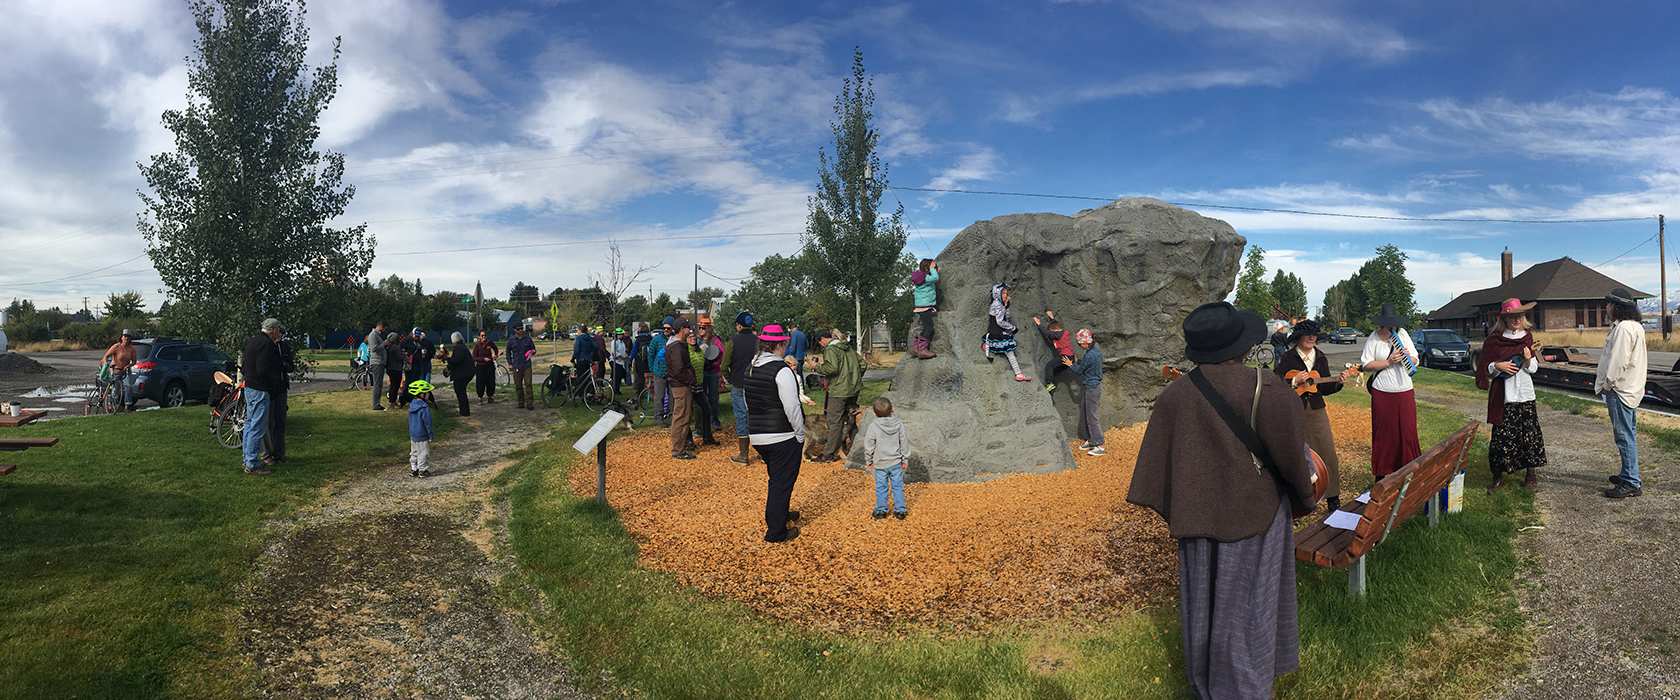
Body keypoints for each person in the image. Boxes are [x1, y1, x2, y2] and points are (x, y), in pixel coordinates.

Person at [1128, 301, 1317, 699]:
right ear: (1242, 346)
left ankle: (1208, 684)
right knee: (1249, 612)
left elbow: (1157, 470)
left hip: (1197, 519)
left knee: (1205, 608)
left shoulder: (1174, 396)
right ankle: (1244, 689)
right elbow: (1292, 459)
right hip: (1258, 516)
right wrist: (1303, 498)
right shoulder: (1268, 388)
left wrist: (1190, 503)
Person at [1274, 320, 1354, 510]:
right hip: (1293, 409)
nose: (1311, 338)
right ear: (1299, 337)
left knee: (1326, 451)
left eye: (1314, 335)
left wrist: (1338, 382)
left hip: (1316, 409)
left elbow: (1324, 387)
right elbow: (1276, 384)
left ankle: (1332, 496)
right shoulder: (1288, 357)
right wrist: (1294, 380)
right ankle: (1300, 497)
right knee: (1296, 454)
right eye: (1307, 334)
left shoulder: (1321, 357)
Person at [1474, 299, 1546, 494]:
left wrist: (1529, 359)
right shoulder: (1494, 339)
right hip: (1504, 395)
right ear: (1504, 319)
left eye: (1519, 316)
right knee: (1502, 437)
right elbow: (1485, 366)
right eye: (1511, 316)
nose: (1516, 319)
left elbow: (1534, 369)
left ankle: (1530, 474)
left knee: (1528, 434)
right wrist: (1497, 366)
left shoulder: (1528, 338)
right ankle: (1498, 476)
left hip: (1524, 394)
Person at [743, 323, 805, 542]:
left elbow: (747, 402)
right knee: (782, 481)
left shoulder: (751, 368)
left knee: (777, 478)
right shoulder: (782, 371)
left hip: (758, 434)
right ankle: (776, 531)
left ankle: (780, 513)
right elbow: (792, 406)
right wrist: (800, 433)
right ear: (780, 344)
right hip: (782, 435)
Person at [1358, 304, 1421, 478]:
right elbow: (1366, 365)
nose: (1390, 326)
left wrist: (1409, 357)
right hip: (1383, 393)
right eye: (1387, 323)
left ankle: (1408, 472)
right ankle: (1383, 474)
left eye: (1392, 323)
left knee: (1407, 432)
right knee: (1385, 434)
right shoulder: (1374, 338)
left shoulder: (1402, 334)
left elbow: (1416, 359)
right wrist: (1389, 361)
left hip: (1405, 391)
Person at [1598, 289, 1648, 498]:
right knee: (1629, 434)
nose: (1606, 308)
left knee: (1623, 436)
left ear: (1617, 306)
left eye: (1609, 304)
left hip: (1620, 391)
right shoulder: (1634, 326)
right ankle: (1630, 473)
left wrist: (1607, 385)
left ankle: (1630, 482)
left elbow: (1617, 362)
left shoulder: (1624, 329)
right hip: (1630, 389)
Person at [239, 319, 287, 476]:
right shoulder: (267, 345)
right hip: (260, 388)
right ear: (272, 330)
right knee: (257, 426)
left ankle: (247, 458)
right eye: (278, 330)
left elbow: (246, 366)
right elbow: (263, 369)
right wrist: (273, 384)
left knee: (249, 423)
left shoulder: (253, 341)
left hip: (249, 387)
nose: (279, 334)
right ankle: (252, 463)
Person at [809, 329, 862, 462]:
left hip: (839, 390)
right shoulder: (847, 347)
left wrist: (816, 367)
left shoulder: (831, 349)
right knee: (850, 420)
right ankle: (856, 450)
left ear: (822, 339)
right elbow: (863, 364)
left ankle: (829, 454)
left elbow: (832, 368)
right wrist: (853, 378)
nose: (821, 345)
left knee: (834, 421)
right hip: (853, 389)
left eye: (820, 342)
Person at [862, 396, 910, 519]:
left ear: (875, 412)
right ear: (892, 409)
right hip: (896, 462)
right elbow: (903, 442)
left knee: (881, 487)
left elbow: (869, 445)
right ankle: (900, 510)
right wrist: (905, 459)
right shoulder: (898, 424)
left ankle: (881, 510)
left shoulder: (873, 426)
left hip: (880, 463)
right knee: (898, 486)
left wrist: (869, 460)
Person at [1063, 328, 1107, 456]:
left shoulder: (1090, 355)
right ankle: (1091, 440)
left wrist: (1070, 364)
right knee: (1086, 413)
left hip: (1092, 387)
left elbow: (1079, 370)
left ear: (1086, 342)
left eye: (1081, 343)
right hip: (1091, 386)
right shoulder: (1094, 351)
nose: (1080, 345)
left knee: (1092, 416)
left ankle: (1098, 445)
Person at [726, 312, 758, 465]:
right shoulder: (758, 341)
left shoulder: (733, 341)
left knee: (741, 417)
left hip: (739, 383)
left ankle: (744, 455)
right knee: (758, 416)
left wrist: (730, 378)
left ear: (738, 325)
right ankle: (764, 453)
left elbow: (724, 366)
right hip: (756, 384)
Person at [665, 319, 698, 459]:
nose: (690, 331)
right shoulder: (677, 347)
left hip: (679, 384)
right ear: (682, 329)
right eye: (688, 328)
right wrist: (690, 379)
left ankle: (681, 446)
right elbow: (678, 369)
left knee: (683, 416)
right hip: (681, 385)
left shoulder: (674, 345)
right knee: (681, 417)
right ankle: (678, 450)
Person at [984, 283, 1029, 382]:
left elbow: (1007, 317)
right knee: (1010, 352)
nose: (1006, 295)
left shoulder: (1000, 304)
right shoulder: (997, 305)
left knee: (1009, 351)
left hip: (1000, 331)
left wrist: (1006, 305)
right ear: (997, 293)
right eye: (1003, 293)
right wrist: (1013, 328)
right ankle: (1018, 374)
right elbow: (1000, 321)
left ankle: (1018, 374)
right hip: (997, 332)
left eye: (1006, 293)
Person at [264, 333, 295, 464]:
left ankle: (279, 453)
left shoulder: (284, 346)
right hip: (268, 389)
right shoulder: (265, 346)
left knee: (280, 422)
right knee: (268, 422)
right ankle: (267, 454)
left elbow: (290, 366)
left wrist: (283, 364)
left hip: (281, 388)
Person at [1033, 310, 1075, 393]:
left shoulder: (1057, 334)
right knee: (1057, 369)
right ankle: (1053, 379)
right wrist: (1051, 317)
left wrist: (1039, 324)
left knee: (1049, 366)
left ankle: (1049, 384)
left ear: (1054, 331)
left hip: (1065, 357)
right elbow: (1055, 326)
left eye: (1052, 331)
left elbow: (1047, 333)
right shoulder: (1062, 333)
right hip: (1071, 358)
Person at [698, 315, 725, 435]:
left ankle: (714, 421)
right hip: (701, 373)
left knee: (713, 398)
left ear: (709, 328)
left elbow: (722, 354)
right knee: (702, 398)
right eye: (700, 327)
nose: (702, 329)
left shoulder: (716, 340)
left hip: (713, 372)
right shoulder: (696, 340)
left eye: (704, 327)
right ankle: (704, 423)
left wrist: (718, 367)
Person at [100, 329, 139, 411]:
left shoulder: (131, 349)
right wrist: (107, 364)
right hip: (116, 371)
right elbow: (106, 356)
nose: (126, 338)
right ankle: (112, 405)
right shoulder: (116, 346)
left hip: (126, 371)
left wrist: (129, 365)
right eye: (125, 336)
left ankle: (128, 405)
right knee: (115, 389)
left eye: (128, 336)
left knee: (128, 386)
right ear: (121, 337)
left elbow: (134, 361)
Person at [910, 258, 939, 359]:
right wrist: (933, 269)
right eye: (932, 268)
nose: (935, 269)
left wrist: (933, 270)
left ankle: (915, 348)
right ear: (928, 268)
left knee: (925, 327)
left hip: (920, 306)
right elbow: (935, 278)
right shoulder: (926, 278)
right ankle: (922, 350)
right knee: (929, 328)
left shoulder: (920, 277)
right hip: (925, 306)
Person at [407, 379, 435, 478]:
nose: (429, 395)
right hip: (422, 434)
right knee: (423, 452)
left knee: (414, 452)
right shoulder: (424, 407)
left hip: (413, 434)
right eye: (427, 393)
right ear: (421, 394)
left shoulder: (412, 405)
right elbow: (428, 423)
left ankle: (414, 468)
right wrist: (430, 434)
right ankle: (422, 470)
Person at [649, 317, 674, 426]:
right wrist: (652, 369)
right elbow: (651, 355)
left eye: (668, 328)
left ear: (672, 328)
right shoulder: (656, 339)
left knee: (673, 396)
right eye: (664, 328)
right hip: (659, 372)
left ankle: (671, 417)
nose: (666, 330)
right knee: (659, 396)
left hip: (673, 373)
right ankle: (658, 418)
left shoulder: (675, 339)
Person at [508, 323, 536, 410]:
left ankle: (530, 403)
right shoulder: (511, 340)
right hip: (516, 365)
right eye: (518, 329)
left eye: (521, 329)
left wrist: (532, 352)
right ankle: (521, 402)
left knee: (528, 384)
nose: (520, 330)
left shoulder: (528, 339)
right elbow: (508, 352)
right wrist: (509, 363)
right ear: (515, 330)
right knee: (518, 385)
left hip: (527, 365)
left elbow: (534, 349)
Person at [446, 331, 474, 417]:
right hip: (467, 373)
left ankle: (464, 412)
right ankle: (464, 411)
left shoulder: (458, 348)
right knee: (461, 392)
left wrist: (447, 359)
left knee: (460, 392)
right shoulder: (463, 347)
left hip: (462, 374)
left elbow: (456, 361)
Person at [471, 330, 499, 404]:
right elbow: (474, 357)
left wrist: (495, 355)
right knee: (480, 383)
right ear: (479, 337)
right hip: (480, 367)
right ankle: (480, 397)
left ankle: (490, 396)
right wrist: (483, 359)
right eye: (482, 335)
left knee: (491, 382)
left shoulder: (490, 343)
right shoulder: (477, 345)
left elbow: (496, 349)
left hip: (490, 366)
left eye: (485, 335)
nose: (484, 337)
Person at [366, 321, 387, 410]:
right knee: (377, 384)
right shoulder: (373, 335)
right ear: (380, 326)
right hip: (377, 362)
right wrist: (384, 344)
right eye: (384, 328)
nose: (384, 330)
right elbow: (374, 348)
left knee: (379, 384)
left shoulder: (376, 335)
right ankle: (376, 404)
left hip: (380, 362)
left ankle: (377, 403)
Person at [571, 323, 599, 389]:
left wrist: (573, 358)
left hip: (580, 360)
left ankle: (580, 392)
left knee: (580, 377)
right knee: (587, 377)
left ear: (580, 330)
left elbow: (576, 350)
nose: (577, 331)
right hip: (588, 360)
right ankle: (586, 392)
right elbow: (595, 347)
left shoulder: (578, 338)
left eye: (577, 330)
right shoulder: (589, 338)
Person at [382, 332, 405, 408]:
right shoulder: (396, 347)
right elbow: (399, 357)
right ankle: (392, 402)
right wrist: (404, 355)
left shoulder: (387, 347)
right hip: (396, 369)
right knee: (395, 386)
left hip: (389, 368)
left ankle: (392, 401)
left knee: (392, 385)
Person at [632, 323, 652, 398]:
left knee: (640, 378)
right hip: (649, 361)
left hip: (640, 361)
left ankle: (640, 394)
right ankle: (650, 393)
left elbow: (634, 351)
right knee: (649, 378)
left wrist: (630, 359)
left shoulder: (638, 339)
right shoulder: (650, 338)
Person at [611, 327, 630, 395]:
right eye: (620, 334)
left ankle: (617, 389)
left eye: (622, 334)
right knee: (617, 377)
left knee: (620, 376)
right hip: (616, 362)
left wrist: (626, 355)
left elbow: (624, 351)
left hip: (622, 362)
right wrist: (621, 356)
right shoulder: (614, 342)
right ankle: (615, 390)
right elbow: (614, 352)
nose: (622, 335)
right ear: (617, 335)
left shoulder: (622, 342)